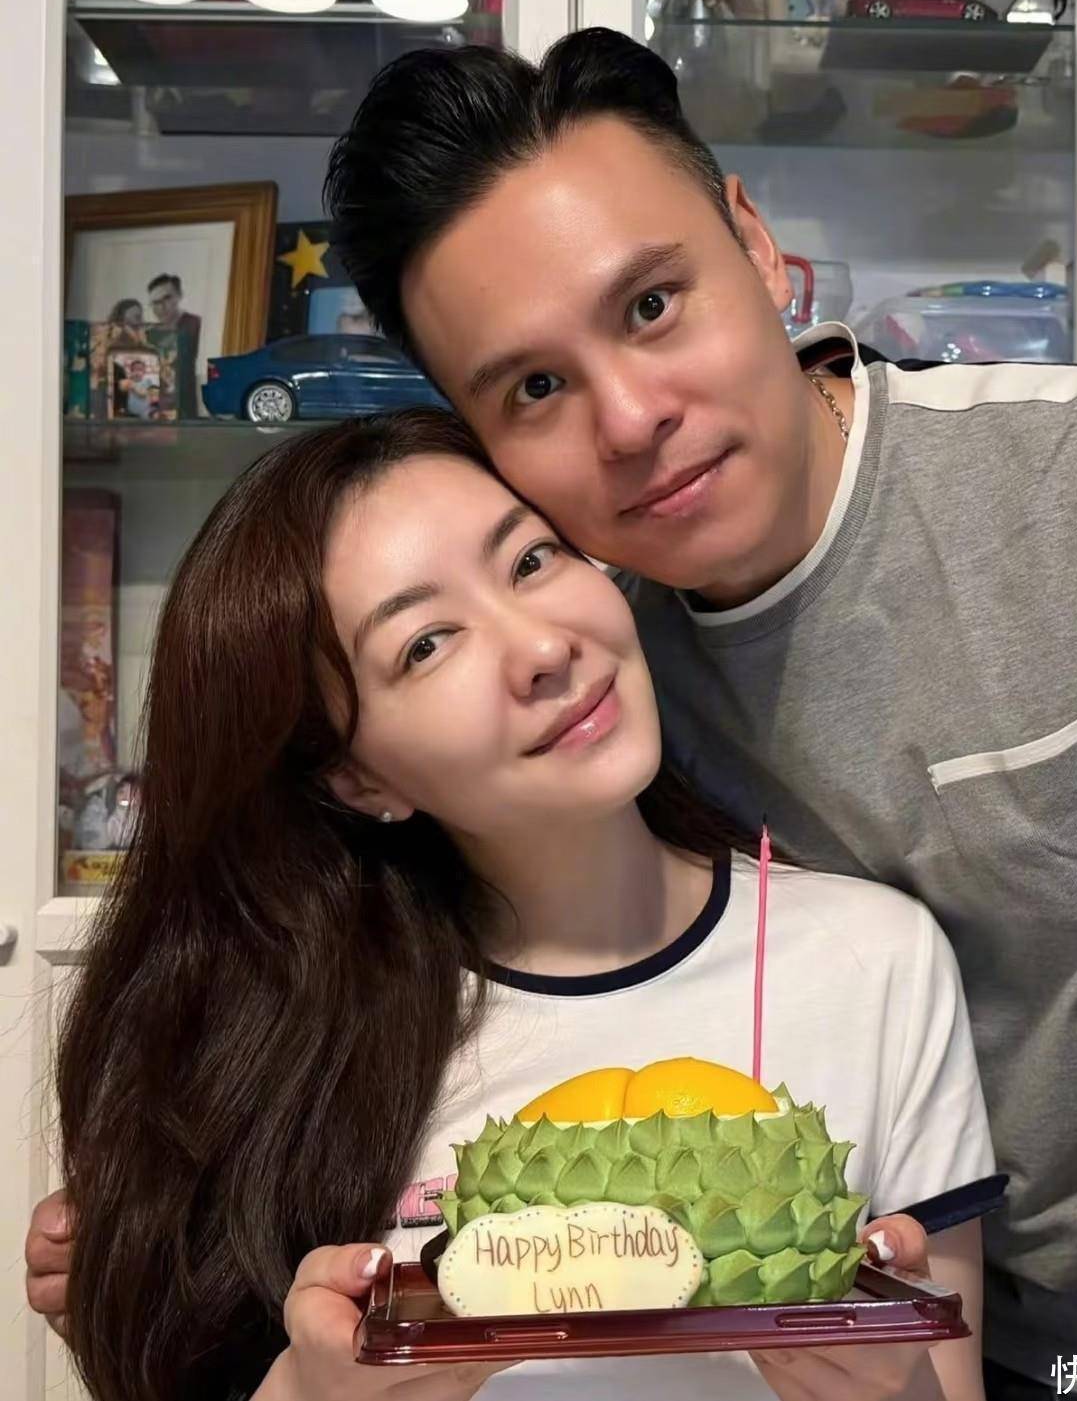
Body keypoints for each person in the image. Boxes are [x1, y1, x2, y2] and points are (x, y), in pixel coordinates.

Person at [30, 32, 1077, 1388]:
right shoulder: (592, 661)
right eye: (535, 386)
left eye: (652, 306)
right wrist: (176, 1216)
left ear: (758, 246)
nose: (630, 417)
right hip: (933, 1341)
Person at [47, 407, 994, 1401]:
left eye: (533, 559)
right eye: (427, 643)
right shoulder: (295, 1063)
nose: (542, 645)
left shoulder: (875, 961)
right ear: (359, 779)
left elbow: (944, 1380)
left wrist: (895, 1390)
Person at [146, 271, 201, 416]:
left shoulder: (195, 325)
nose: (161, 307)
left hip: (186, 408)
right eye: (155, 303)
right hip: (157, 409)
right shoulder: (149, 334)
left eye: (167, 298)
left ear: (179, 296)